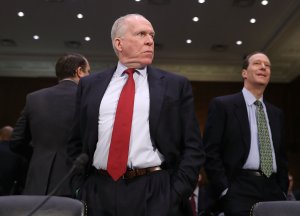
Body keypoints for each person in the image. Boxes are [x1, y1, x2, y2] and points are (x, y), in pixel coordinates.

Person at [67, 14, 204, 216]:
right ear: (119, 43)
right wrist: (80, 189)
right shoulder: (90, 85)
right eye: (141, 34)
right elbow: (75, 142)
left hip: (155, 191)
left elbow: (193, 146)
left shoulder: (175, 85)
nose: (150, 40)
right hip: (98, 191)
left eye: (151, 35)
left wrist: (176, 193)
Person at [203, 51, 288, 216]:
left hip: (273, 190)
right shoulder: (223, 105)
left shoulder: (276, 113)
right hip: (238, 188)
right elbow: (210, 152)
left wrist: (282, 190)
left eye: (267, 65)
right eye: (257, 63)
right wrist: (224, 190)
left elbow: (282, 157)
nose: (263, 67)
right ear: (244, 73)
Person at [10, 53, 90, 196]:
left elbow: (16, 141)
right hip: (74, 181)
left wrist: (40, 154)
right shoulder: (88, 98)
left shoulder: (34, 98)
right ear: (79, 71)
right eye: (88, 71)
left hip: (37, 180)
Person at [0, 125, 27, 195]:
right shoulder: (19, 154)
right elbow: (22, 180)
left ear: (0, 136)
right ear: (13, 138)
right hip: (7, 195)